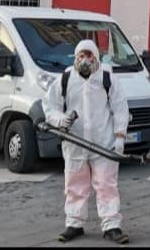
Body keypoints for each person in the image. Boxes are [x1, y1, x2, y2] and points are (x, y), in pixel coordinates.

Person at [43, 39, 130, 244]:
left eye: (88, 55)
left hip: (103, 142)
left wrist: (119, 137)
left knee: (107, 185)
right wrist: (60, 120)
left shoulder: (107, 78)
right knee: (74, 185)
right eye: (81, 56)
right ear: (75, 58)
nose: (84, 60)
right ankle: (74, 223)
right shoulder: (65, 79)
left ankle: (111, 226)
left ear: (96, 57)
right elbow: (49, 106)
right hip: (74, 142)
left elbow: (120, 108)